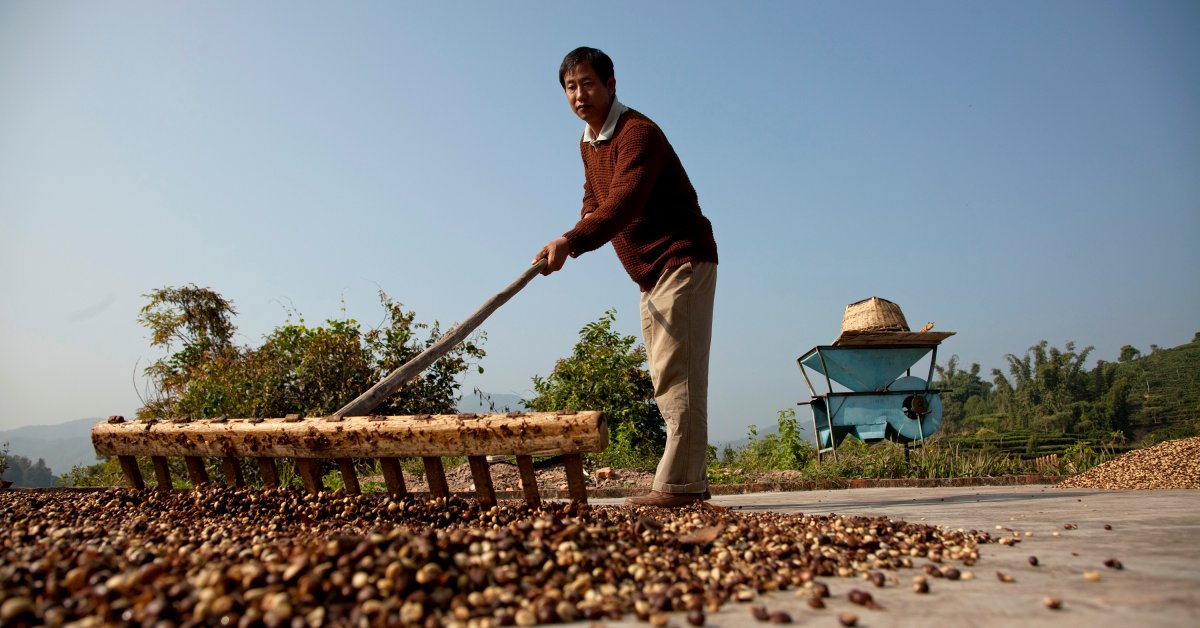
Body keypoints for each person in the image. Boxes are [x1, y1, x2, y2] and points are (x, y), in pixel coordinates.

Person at [533, 47, 718, 508]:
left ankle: (679, 487)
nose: (580, 95)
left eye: (588, 84)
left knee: (680, 377)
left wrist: (571, 241)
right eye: (571, 87)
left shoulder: (639, 134)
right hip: (650, 274)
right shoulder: (587, 141)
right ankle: (687, 480)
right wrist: (571, 237)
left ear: (611, 84)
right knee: (666, 376)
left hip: (680, 259)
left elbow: (623, 203)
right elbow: (594, 200)